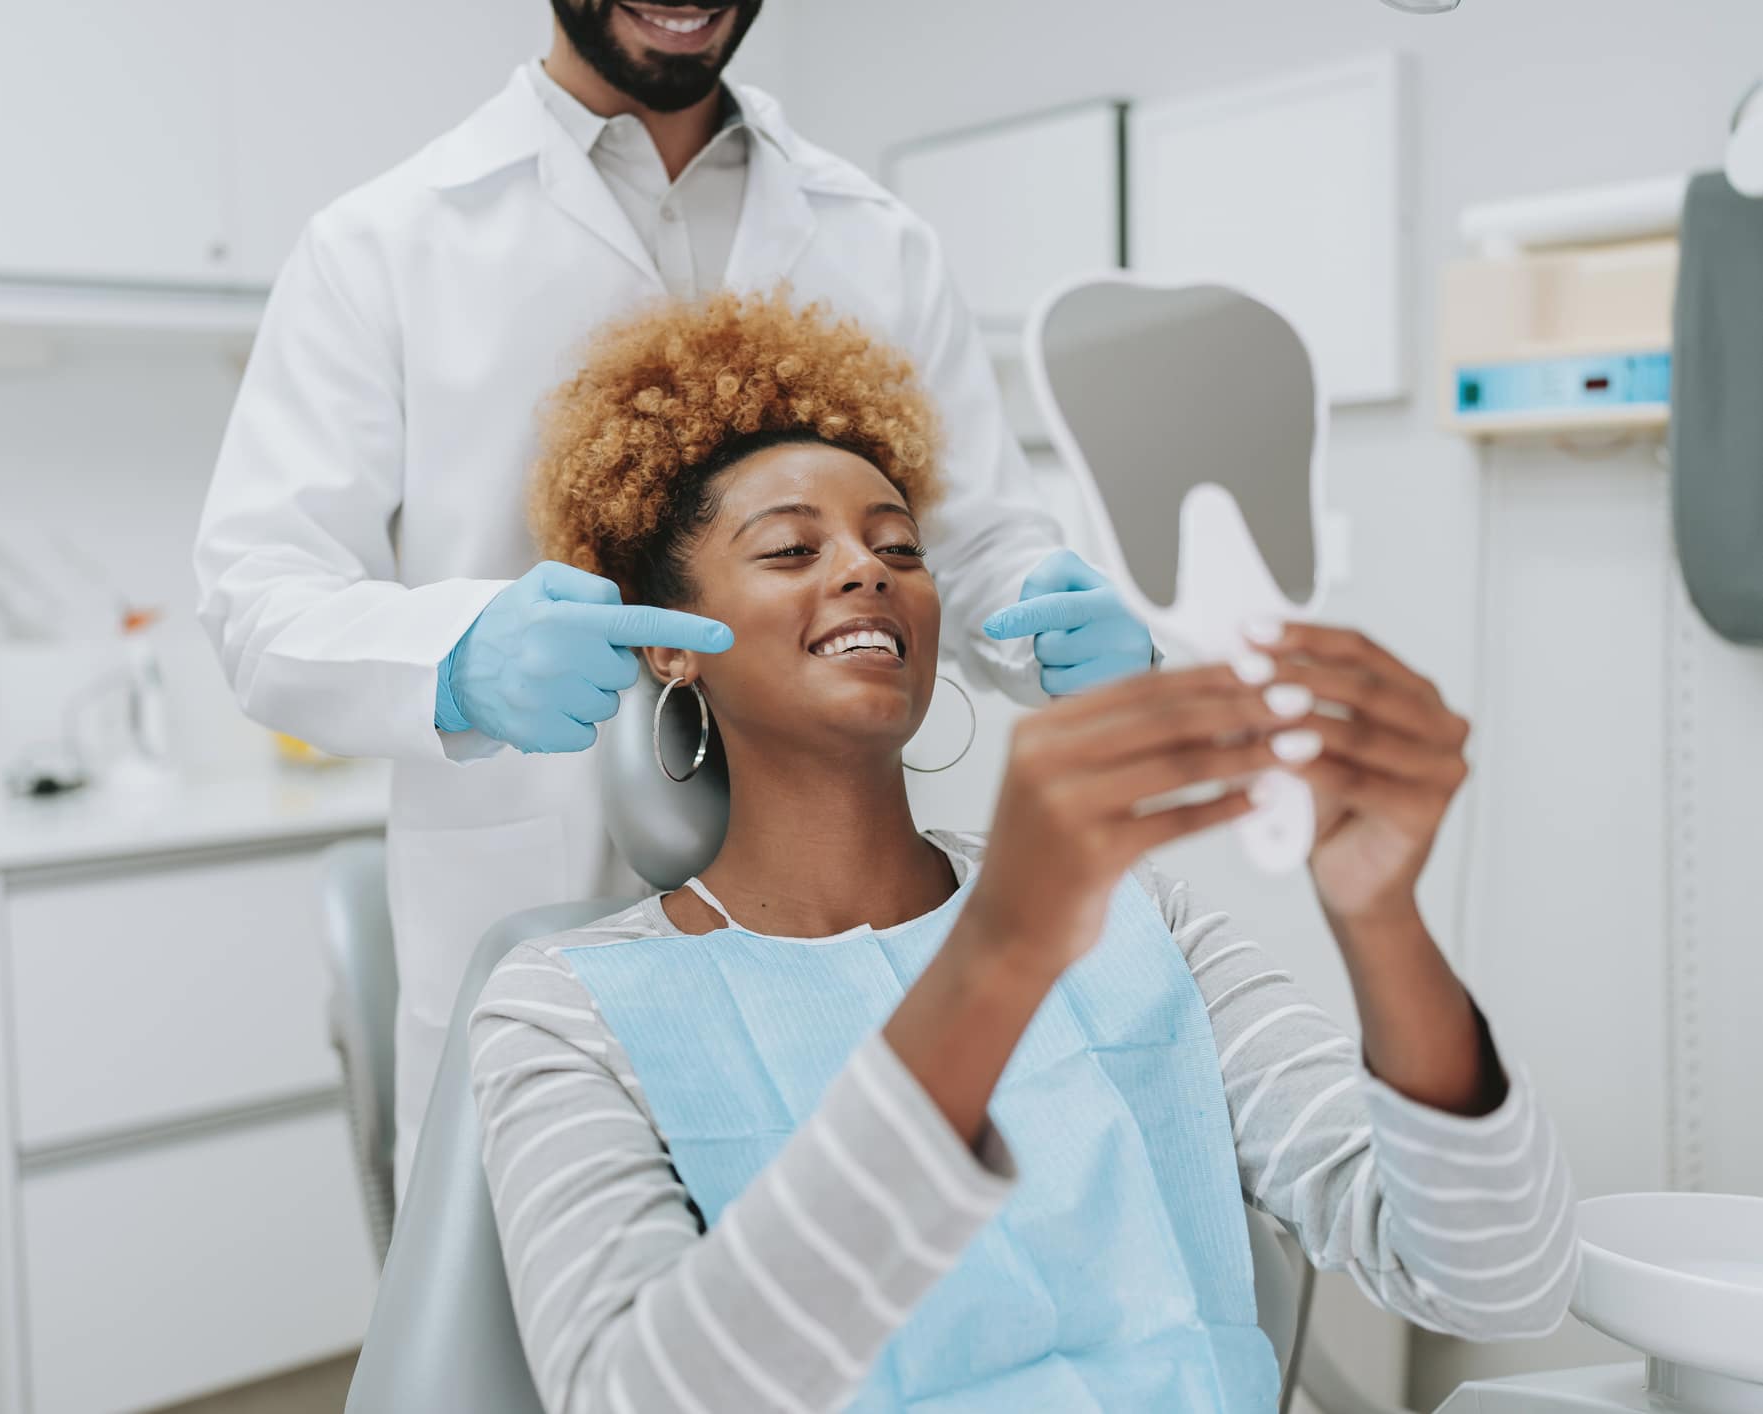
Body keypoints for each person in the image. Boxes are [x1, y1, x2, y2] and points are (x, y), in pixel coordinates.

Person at [471, 290, 1577, 1413]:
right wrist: (999, 956)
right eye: (793, 548)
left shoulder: (1138, 919)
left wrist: (1380, 913)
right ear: (667, 644)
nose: (866, 570)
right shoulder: (566, 1008)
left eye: (899, 546)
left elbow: (1498, 1282)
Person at [193, 0, 1153, 1189]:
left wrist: (1046, 619)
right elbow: (261, 592)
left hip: (834, 907)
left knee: (854, 1245)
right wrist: (458, 655)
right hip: (544, 895)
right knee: (562, 1263)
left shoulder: (878, 239)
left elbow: (973, 540)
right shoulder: (385, 242)